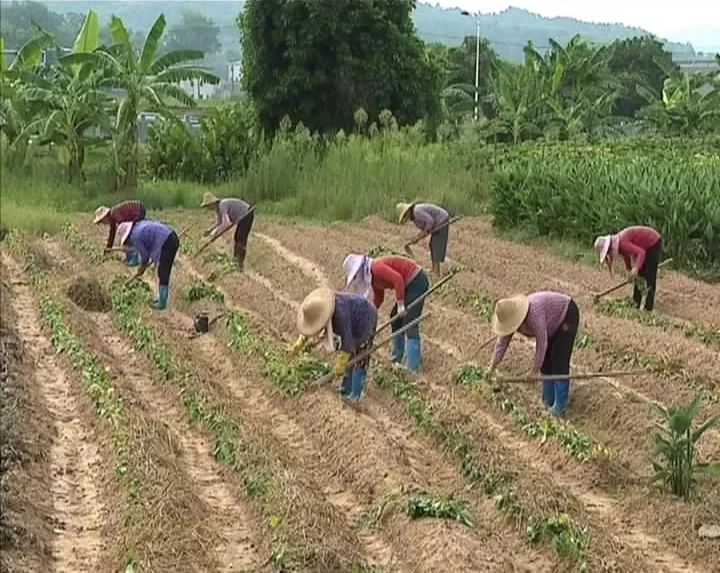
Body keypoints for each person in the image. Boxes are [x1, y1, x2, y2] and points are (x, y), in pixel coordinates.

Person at [486, 291, 580, 417]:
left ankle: (560, 407)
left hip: (566, 315)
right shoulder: (511, 320)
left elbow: (542, 343)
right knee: (546, 363)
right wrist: (491, 368)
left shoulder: (534, 313)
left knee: (558, 360)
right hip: (550, 325)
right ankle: (548, 400)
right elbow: (501, 345)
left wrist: (534, 371)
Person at [343, 253, 428, 372]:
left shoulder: (376, 268)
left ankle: (413, 368)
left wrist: (400, 304)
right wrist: (370, 313)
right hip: (409, 285)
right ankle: (396, 360)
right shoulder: (372, 278)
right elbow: (379, 298)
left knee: (410, 322)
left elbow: (398, 279)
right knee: (395, 318)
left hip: (416, 280)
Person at [293, 287, 378, 402]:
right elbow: (312, 324)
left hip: (365, 317)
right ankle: (345, 389)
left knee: (360, 356)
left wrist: (341, 362)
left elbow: (347, 341)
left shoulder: (340, 314)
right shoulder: (316, 305)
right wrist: (300, 342)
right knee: (350, 356)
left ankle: (356, 395)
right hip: (351, 315)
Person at [594, 226, 662, 311]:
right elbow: (626, 255)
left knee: (649, 275)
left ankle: (648, 308)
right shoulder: (620, 245)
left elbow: (641, 253)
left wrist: (636, 268)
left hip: (653, 242)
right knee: (638, 277)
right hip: (644, 246)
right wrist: (629, 270)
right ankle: (635, 304)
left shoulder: (622, 242)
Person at [115, 220, 180, 311]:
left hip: (167, 240)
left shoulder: (135, 237)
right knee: (163, 270)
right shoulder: (138, 228)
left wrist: (142, 268)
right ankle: (161, 300)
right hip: (171, 236)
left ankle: (162, 304)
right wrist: (143, 266)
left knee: (163, 271)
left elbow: (145, 255)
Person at [200, 192, 254, 271]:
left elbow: (226, 223)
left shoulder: (222, 205)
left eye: (208, 206)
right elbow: (220, 222)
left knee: (240, 238)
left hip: (247, 213)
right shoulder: (219, 208)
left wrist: (216, 234)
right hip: (243, 215)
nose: (208, 208)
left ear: (212, 203)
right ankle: (235, 262)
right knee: (237, 238)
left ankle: (239, 264)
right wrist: (210, 230)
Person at [396, 201, 451, 277]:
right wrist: (418, 237)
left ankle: (436, 271)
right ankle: (434, 269)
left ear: (408, 211)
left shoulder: (417, 212)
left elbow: (430, 221)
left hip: (442, 220)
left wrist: (422, 234)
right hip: (437, 222)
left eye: (405, 215)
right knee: (432, 244)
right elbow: (426, 227)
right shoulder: (414, 217)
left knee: (436, 244)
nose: (406, 217)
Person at [94, 200, 147, 266]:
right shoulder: (112, 218)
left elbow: (126, 228)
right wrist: (108, 247)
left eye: (102, 221)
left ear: (105, 217)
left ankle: (134, 257)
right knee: (128, 237)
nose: (103, 224)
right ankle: (129, 256)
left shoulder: (115, 214)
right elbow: (112, 233)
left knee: (131, 235)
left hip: (138, 210)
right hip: (136, 211)